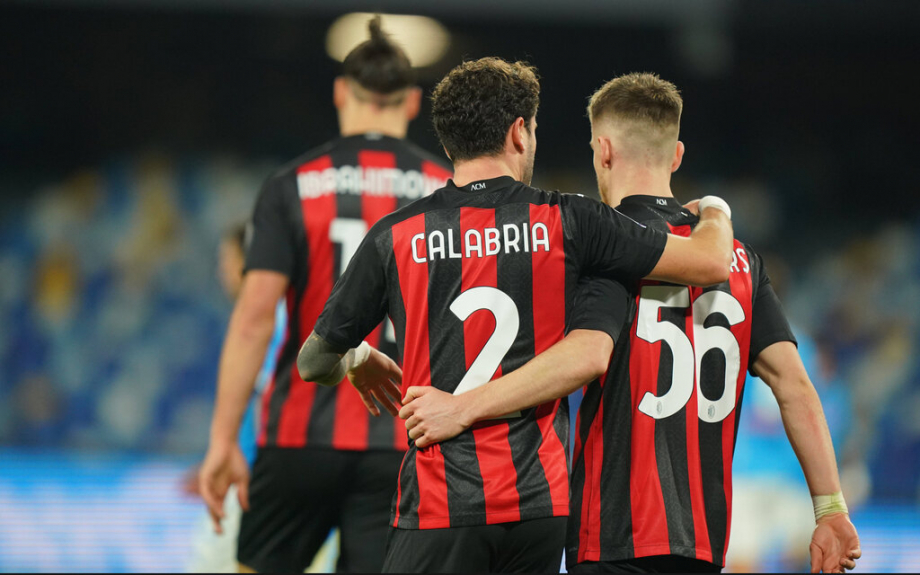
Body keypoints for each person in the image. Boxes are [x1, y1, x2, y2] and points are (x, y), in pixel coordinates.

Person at [398, 72, 861, 574]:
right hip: (703, 543)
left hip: (613, 535)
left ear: (603, 151)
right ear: (676, 156)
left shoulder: (601, 248)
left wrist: (461, 407)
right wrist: (830, 509)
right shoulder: (742, 261)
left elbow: (584, 355)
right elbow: (795, 386)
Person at [297, 57, 735, 573]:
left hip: (440, 505)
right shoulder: (573, 220)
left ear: (448, 145)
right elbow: (710, 262)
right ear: (519, 132)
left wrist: (358, 359)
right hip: (540, 509)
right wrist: (716, 208)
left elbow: (312, 362)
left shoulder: (394, 235)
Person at [198, 16, 453, 573]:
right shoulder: (446, 194)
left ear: (341, 92)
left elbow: (254, 318)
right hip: (404, 440)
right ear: (412, 102)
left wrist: (222, 440)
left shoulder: (290, 185)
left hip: (298, 437)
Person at [185, 224, 287, 572]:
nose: (221, 271)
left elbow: (269, 402)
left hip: (254, 483)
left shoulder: (268, 321)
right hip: (256, 474)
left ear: (248, 263)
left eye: (226, 260)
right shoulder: (277, 314)